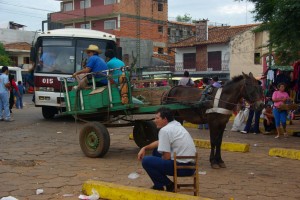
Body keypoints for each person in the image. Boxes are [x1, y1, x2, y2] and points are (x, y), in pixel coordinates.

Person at [137, 107, 196, 191]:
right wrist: (145, 148)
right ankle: (160, 185)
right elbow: (159, 142)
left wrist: (157, 162)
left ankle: (168, 184)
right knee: (156, 152)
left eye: (157, 118)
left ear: (165, 119)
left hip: (182, 168)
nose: (155, 120)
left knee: (146, 161)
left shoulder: (165, 130)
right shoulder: (175, 124)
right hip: (192, 167)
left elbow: (167, 157)